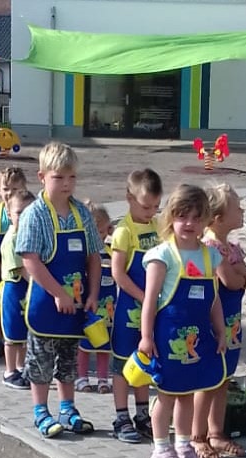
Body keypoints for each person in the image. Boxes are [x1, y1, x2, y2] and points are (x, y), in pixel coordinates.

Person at [15, 141, 103, 439]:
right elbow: (30, 260)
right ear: (42, 177)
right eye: (58, 177)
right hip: (45, 304)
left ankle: (68, 407)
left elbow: (93, 256)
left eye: (71, 177)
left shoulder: (82, 213)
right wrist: (57, 293)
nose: (66, 184)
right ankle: (41, 410)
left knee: (68, 359)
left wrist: (92, 294)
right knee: (40, 360)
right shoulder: (34, 214)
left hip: (77, 304)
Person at [140, 184, 227, 458]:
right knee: (166, 393)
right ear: (171, 218)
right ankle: (160, 449)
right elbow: (150, 301)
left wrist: (220, 330)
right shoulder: (162, 256)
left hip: (198, 335)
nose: (189, 223)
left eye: (196, 217)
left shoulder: (209, 256)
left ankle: (183, 444)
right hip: (167, 336)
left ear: (206, 221)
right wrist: (146, 336)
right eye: (182, 216)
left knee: (188, 394)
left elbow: (213, 298)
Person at [192, 183, 246, 458]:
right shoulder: (211, 247)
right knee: (207, 380)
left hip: (232, 323)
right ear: (218, 218)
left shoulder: (230, 248)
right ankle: (197, 435)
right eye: (237, 207)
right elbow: (233, 281)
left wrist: (239, 272)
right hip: (211, 323)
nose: (242, 210)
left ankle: (216, 432)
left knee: (223, 379)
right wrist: (238, 271)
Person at [110, 169, 163, 443]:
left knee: (144, 362)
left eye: (156, 206)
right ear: (129, 198)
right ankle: (121, 415)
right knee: (122, 365)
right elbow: (118, 273)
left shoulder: (157, 227)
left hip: (151, 312)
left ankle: (143, 415)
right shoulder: (123, 231)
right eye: (146, 206)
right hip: (129, 309)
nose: (151, 212)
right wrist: (144, 297)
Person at [0, 167, 29, 351]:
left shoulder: (26, 210)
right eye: (6, 189)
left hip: (21, 265)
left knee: (20, 302)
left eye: (16, 190)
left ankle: (21, 338)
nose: (10, 193)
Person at [0, 188, 35, 389]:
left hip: (27, 290)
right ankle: (9, 370)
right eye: (19, 212)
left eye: (29, 212)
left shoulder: (29, 236)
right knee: (12, 334)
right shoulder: (12, 238)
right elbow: (21, 269)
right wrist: (39, 285)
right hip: (14, 288)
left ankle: (21, 367)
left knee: (24, 332)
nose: (24, 216)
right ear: (9, 214)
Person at [75, 201, 115, 394]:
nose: (98, 236)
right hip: (90, 304)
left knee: (104, 344)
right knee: (85, 343)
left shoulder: (111, 252)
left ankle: (102, 377)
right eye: (95, 232)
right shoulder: (83, 254)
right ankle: (82, 376)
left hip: (108, 306)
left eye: (102, 231)